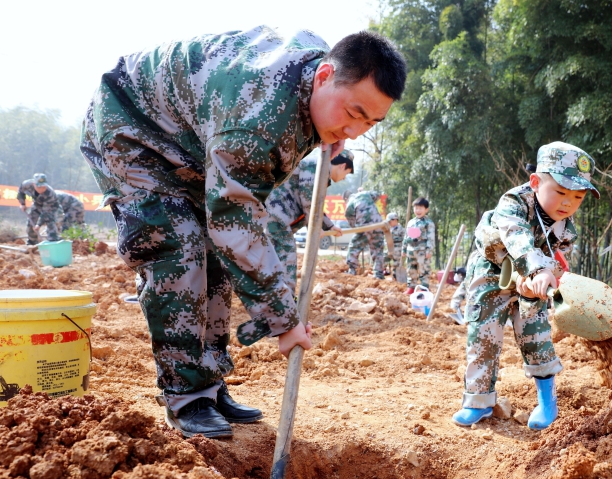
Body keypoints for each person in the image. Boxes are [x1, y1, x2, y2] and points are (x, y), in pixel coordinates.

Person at [80, 27, 406, 438]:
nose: (357, 130)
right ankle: (184, 394)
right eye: (354, 113)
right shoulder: (255, 120)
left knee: (216, 261)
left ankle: (210, 384)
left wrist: (330, 130)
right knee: (177, 251)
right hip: (133, 127)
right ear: (324, 76)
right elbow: (235, 223)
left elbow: (310, 72)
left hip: (191, 144)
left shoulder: (317, 82)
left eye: (371, 121)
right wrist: (284, 321)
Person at [452, 142, 599, 430]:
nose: (567, 203)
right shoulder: (514, 202)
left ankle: (547, 402)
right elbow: (516, 238)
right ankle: (478, 402)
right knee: (483, 334)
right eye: (560, 192)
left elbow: (559, 261)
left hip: (534, 280)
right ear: (535, 182)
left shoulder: (565, 229)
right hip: (492, 271)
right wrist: (534, 271)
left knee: (536, 334)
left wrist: (546, 278)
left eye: (578, 196)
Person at [265, 149, 352, 292]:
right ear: (342, 166)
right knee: (287, 260)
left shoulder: (320, 172)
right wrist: (316, 228)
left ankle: (275, 301)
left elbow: (315, 206)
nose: (344, 178)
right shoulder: (315, 167)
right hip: (277, 216)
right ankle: (286, 304)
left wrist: (329, 226)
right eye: (346, 173)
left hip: (275, 216)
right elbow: (309, 202)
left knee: (275, 261)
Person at [344, 190, 386, 279]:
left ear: (346, 199)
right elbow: (377, 195)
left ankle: (353, 270)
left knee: (353, 248)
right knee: (377, 250)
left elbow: (352, 224)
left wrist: (358, 231)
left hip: (364, 226)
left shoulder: (349, 205)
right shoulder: (366, 194)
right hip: (378, 224)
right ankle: (378, 274)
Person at [16, 173, 62, 245]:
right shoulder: (27, 184)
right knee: (31, 223)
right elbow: (20, 192)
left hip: (51, 207)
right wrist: (23, 204)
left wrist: (39, 224)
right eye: (39, 187)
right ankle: (32, 243)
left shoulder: (50, 193)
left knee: (50, 223)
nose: (42, 189)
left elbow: (46, 212)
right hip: (37, 204)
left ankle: (53, 243)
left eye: (43, 187)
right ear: (34, 184)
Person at [405, 197, 435, 293]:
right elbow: (406, 237)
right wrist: (404, 249)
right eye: (416, 208)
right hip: (411, 250)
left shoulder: (428, 223)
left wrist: (429, 250)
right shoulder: (411, 222)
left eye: (421, 208)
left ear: (426, 209)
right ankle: (411, 287)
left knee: (424, 270)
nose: (418, 211)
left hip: (422, 251)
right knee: (411, 269)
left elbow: (431, 238)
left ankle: (424, 288)